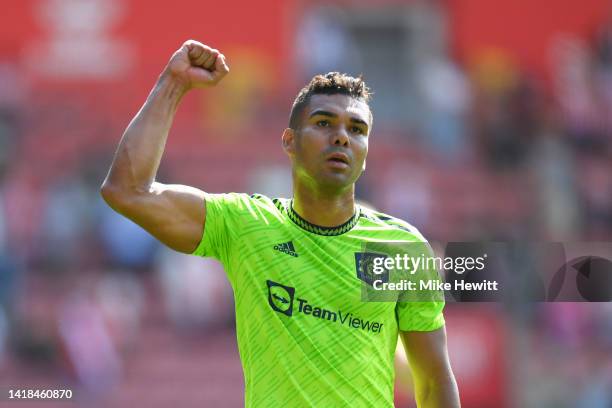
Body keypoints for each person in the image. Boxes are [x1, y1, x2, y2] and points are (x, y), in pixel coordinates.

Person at [101, 40, 460, 407]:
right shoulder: (245, 225)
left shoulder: (400, 247)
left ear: (366, 151)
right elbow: (128, 191)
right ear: (289, 141)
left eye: (357, 129)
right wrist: (173, 83)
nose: (342, 136)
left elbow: (432, 381)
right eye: (324, 123)